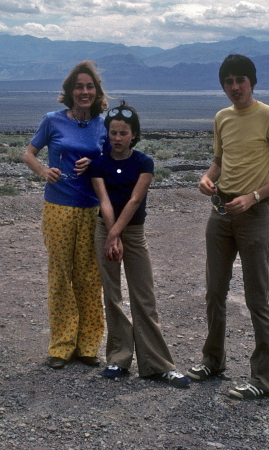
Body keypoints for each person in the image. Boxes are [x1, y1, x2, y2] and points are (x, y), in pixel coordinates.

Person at [186, 54, 269, 400]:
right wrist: (207, 178)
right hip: (220, 212)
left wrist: (253, 197)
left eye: (240, 80)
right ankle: (213, 361)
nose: (235, 87)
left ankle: (263, 380)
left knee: (256, 298)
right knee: (214, 293)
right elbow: (220, 161)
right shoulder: (222, 118)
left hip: (252, 215)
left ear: (252, 82)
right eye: (228, 81)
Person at [89, 101, 190, 389]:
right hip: (106, 229)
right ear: (107, 134)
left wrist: (116, 235)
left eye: (123, 133)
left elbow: (135, 201)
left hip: (132, 232)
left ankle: (158, 364)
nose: (117, 138)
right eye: (113, 133)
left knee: (143, 295)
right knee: (112, 294)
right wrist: (111, 235)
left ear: (134, 134)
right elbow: (104, 200)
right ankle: (118, 359)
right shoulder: (99, 164)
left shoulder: (144, 163)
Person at [23, 61, 109, 369]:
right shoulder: (53, 120)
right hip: (58, 207)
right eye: (79, 87)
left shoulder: (104, 124)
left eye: (90, 87)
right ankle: (61, 344)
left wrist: (97, 166)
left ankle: (88, 345)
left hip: (92, 208)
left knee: (89, 275)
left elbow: (115, 162)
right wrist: (44, 171)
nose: (84, 92)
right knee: (60, 275)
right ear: (69, 91)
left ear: (96, 92)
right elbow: (29, 153)